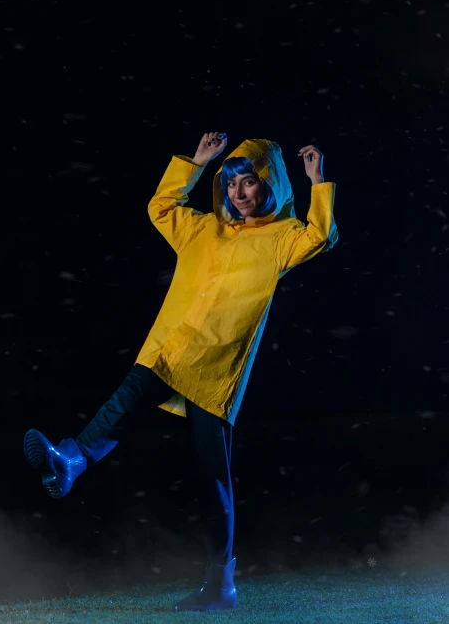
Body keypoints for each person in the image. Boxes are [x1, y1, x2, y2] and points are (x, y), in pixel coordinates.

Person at [24, 132, 338, 612]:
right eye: (231, 185)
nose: (238, 194)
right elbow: (161, 207)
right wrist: (195, 163)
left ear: (269, 184)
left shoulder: (281, 238)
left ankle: (221, 586)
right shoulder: (201, 230)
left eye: (249, 183)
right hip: (169, 350)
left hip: (213, 372)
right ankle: (71, 460)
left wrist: (316, 181)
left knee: (213, 478)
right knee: (125, 399)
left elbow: (321, 237)